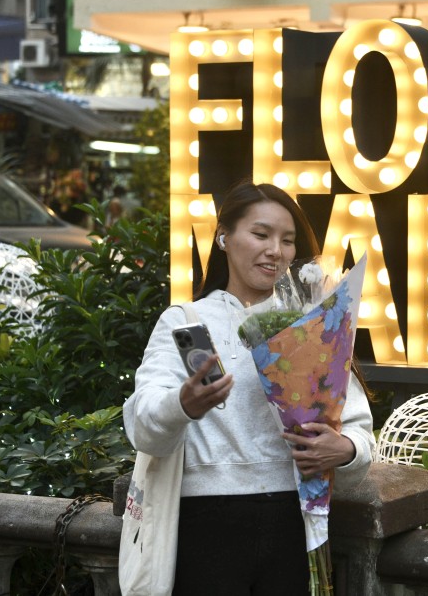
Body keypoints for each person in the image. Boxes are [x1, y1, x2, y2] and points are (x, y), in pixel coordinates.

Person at [123, 181, 375, 595]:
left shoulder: (313, 323)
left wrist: (343, 450)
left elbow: (359, 433)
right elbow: (143, 427)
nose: (276, 250)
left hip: (295, 523)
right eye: (261, 234)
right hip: (203, 526)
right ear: (224, 237)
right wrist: (182, 404)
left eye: (288, 240)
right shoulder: (185, 322)